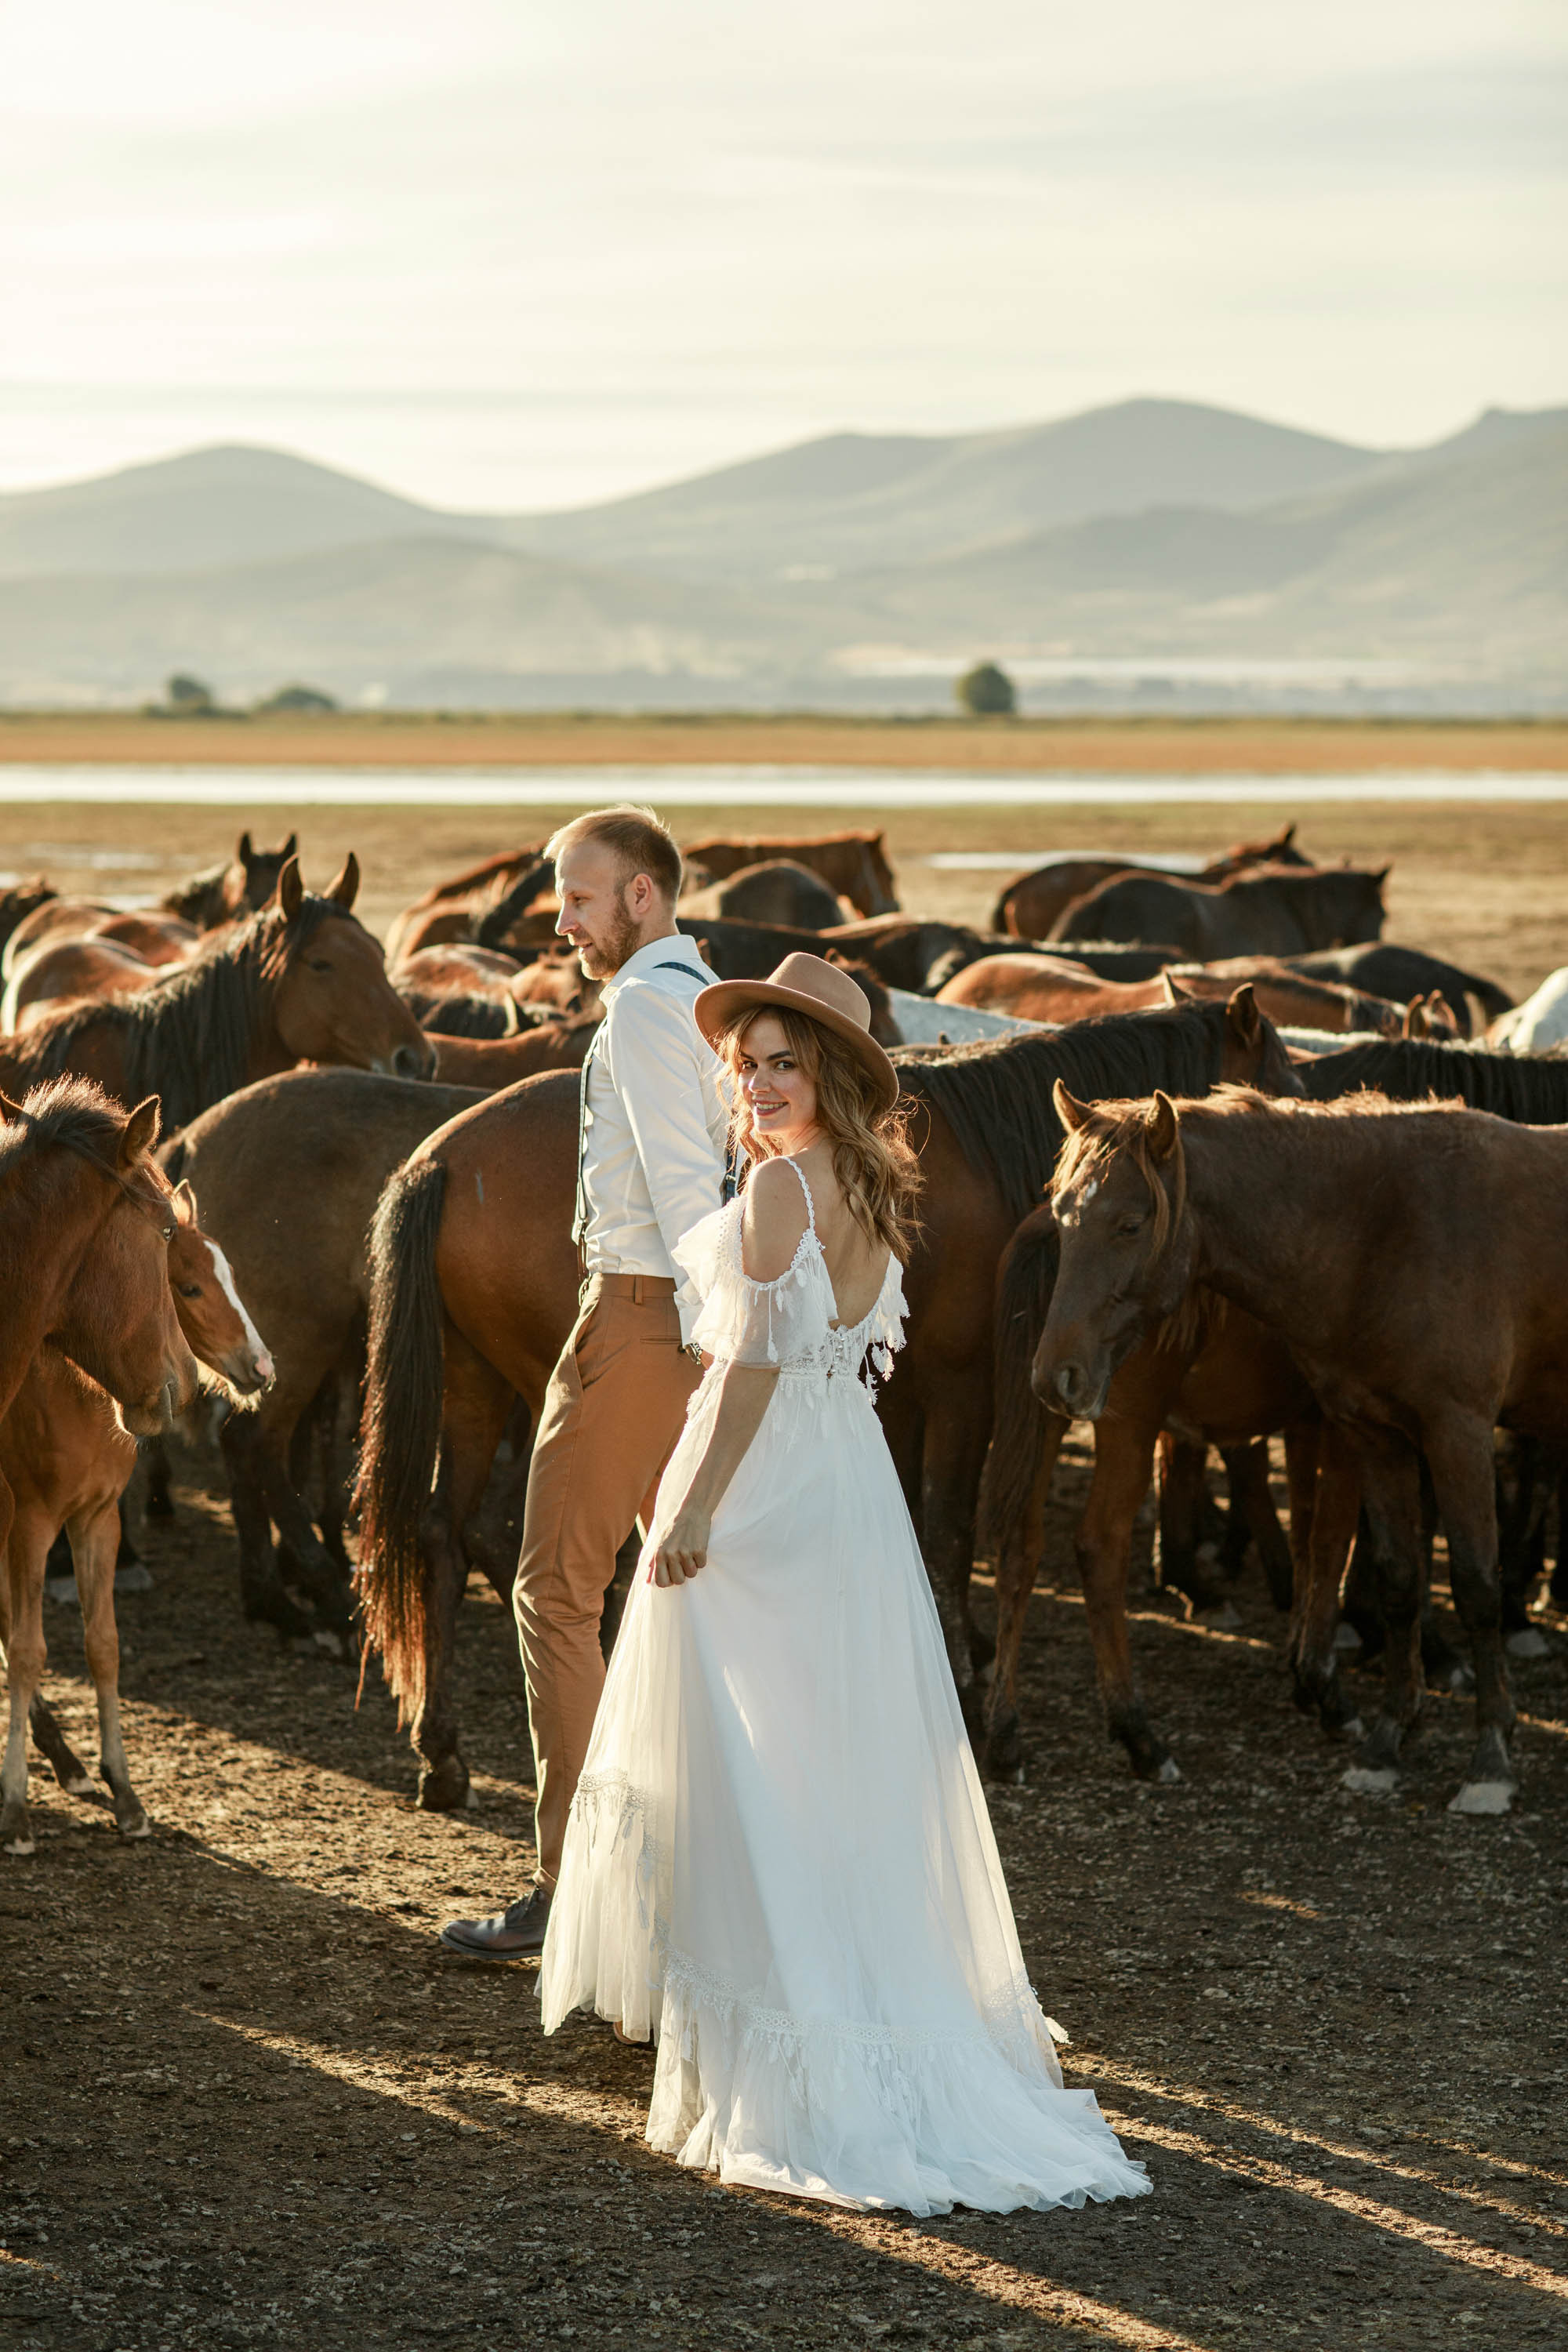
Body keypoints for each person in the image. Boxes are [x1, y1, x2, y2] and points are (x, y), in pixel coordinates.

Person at [539, 952, 1150, 2216]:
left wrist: (690, 1507)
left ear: (829, 1078)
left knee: (750, 1746)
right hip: (848, 1487)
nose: (759, 1085)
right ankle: (871, 2003)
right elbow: (828, 1361)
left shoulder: (775, 1189)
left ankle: (796, 2031)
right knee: (838, 1750)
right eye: (748, 1063)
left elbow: (749, 1373)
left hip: (770, 1485)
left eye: (785, 1064)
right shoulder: (869, 1185)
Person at [441, 805, 726, 1962]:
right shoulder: (699, 1004)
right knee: (682, 1603)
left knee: (555, 1597)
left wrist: (699, 1344)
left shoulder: (651, 1014)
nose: (559, 919)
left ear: (644, 897)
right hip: (672, 1331)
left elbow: (684, 1200)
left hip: (639, 1322)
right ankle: (676, 1874)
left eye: (578, 894)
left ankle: (579, 1890)